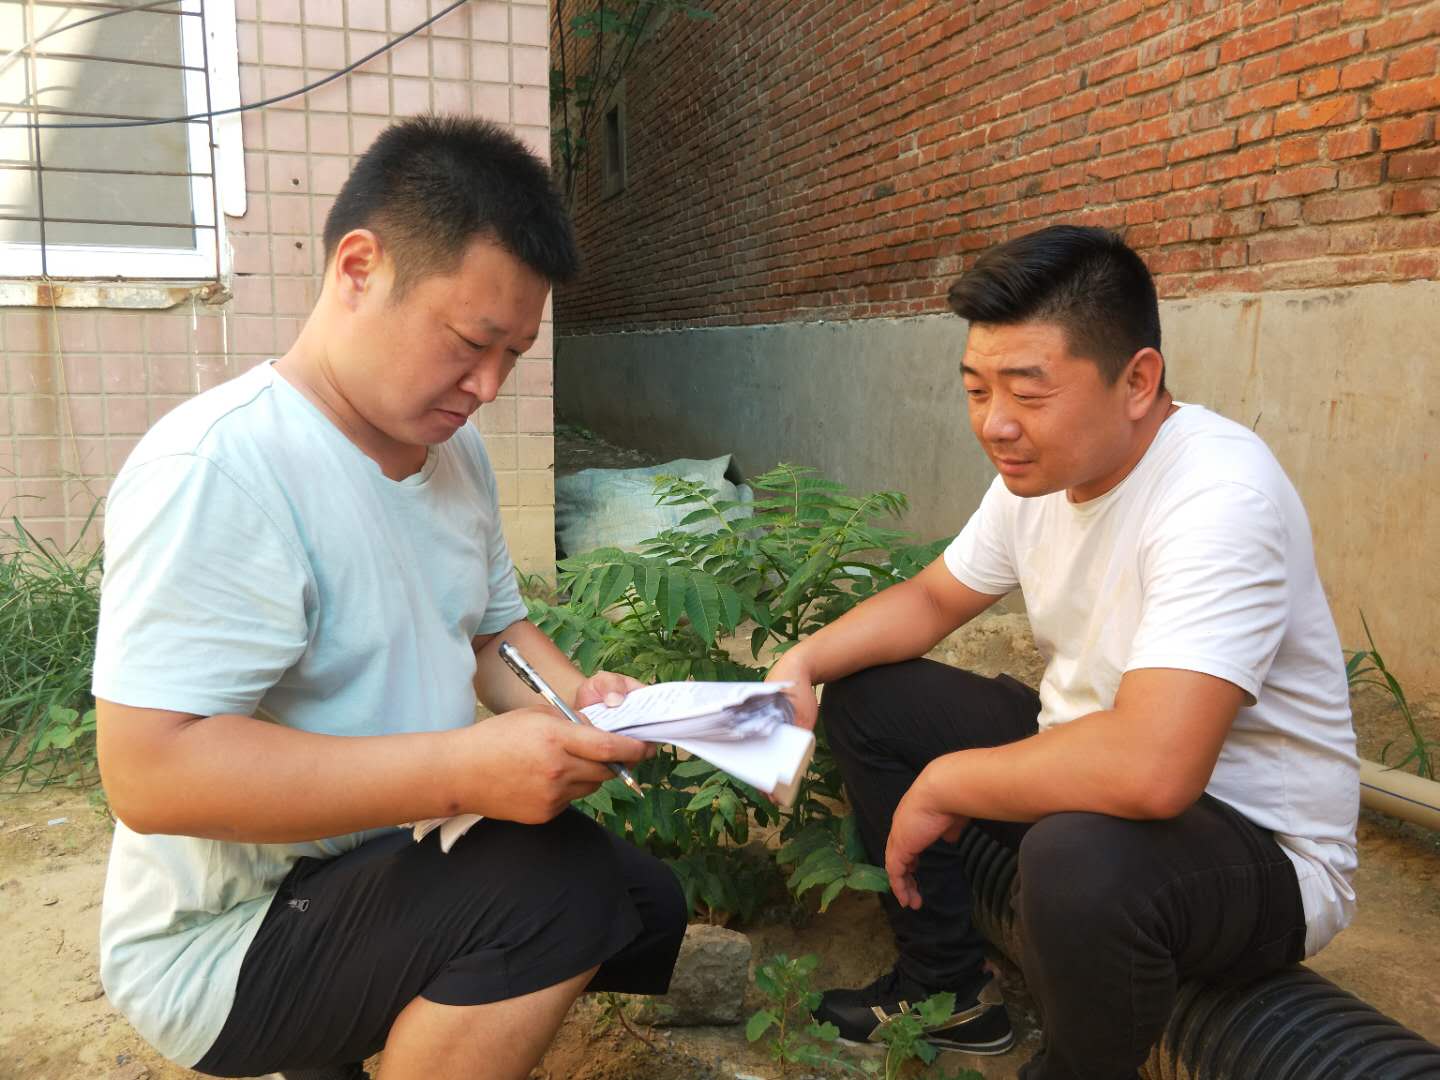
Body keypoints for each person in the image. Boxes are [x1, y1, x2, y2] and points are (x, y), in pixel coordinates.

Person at [93, 115, 686, 1080]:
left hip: (375, 857)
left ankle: (352, 1028)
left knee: (646, 905)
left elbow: (494, 635)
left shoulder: (455, 451)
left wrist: (578, 703)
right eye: (471, 341)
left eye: (514, 354)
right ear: (359, 269)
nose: (487, 386)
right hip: (226, 937)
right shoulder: (220, 470)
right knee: (559, 888)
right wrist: (461, 769)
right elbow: (151, 775)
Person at [765, 225, 1359, 1079]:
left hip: (1252, 846)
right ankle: (947, 989)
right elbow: (932, 598)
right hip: (1090, 766)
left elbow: (1154, 768)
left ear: (1138, 381)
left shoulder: (1219, 497)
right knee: (871, 698)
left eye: (1028, 393)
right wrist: (803, 662)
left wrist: (947, 783)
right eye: (976, 390)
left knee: (1075, 858)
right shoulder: (1040, 476)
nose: (995, 424)